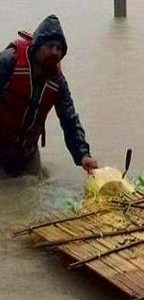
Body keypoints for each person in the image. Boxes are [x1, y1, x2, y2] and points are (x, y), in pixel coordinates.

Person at [0, 15, 98, 178]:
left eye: (59, 49)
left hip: (27, 152)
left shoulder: (58, 82)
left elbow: (69, 119)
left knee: (31, 193)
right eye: (50, 46)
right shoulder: (8, 61)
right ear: (37, 46)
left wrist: (83, 155)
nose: (55, 52)